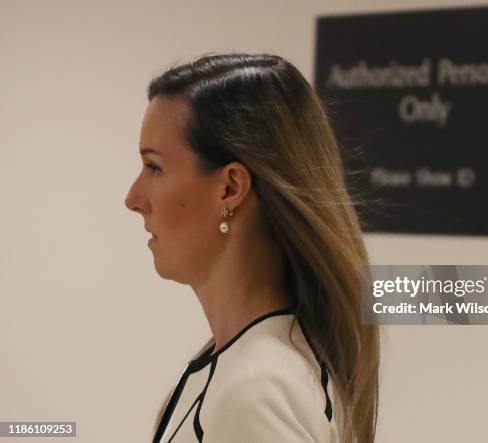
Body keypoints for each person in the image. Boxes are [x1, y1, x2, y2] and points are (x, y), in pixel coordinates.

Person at [124, 52, 380, 443]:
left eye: (154, 168)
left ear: (230, 188)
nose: (133, 198)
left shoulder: (256, 392)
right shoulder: (242, 365)